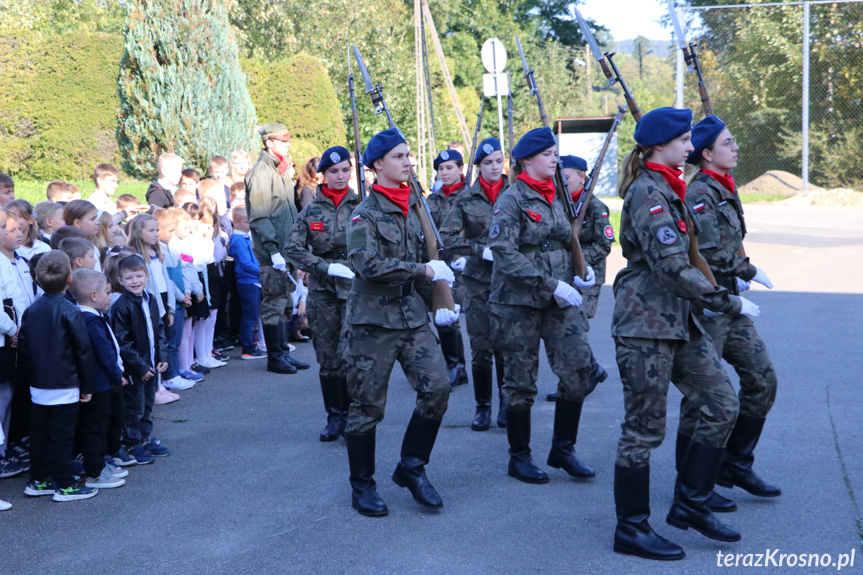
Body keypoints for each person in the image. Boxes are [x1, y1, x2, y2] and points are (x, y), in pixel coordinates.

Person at [610, 107, 764, 561]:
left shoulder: (669, 187)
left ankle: (690, 502)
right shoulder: (648, 194)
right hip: (645, 325)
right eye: (683, 140)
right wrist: (727, 300)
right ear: (661, 146)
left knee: (721, 402)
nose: (690, 147)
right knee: (643, 429)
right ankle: (631, 529)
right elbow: (672, 266)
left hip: (679, 320)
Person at [343, 128, 457, 517]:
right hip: (372, 321)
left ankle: (412, 466)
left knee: (438, 387)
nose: (408, 161)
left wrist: (440, 301)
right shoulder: (366, 212)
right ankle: (362, 485)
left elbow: (429, 255)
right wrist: (424, 270)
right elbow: (365, 263)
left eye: (409, 155)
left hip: (411, 316)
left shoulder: (415, 205)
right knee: (367, 406)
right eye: (398, 157)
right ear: (378, 165)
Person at [486, 127, 597, 485]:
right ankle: (519, 457)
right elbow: (504, 254)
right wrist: (551, 284)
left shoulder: (556, 196)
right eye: (548, 154)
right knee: (520, 382)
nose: (555, 159)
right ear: (527, 161)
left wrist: (583, 269)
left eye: (555, 154)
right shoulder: (512, 199)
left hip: (560, 299)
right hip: (519, 303)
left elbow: (568, 242)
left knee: (579, 369)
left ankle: (563, 448)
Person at [680, 115, 780, 507]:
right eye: (728, 142)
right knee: (704, 398)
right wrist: (744, 271)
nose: (736, 147)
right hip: (709, 305)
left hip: (731, 304)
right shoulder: (699, 194)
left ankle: (735, 463)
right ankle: (690, 484)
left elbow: (728, 243)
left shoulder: (723, 186)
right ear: (707, 154)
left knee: (763, 378)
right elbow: (704, 253)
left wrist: (741, 273)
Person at [285, 146, 359, 442]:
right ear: (323, 176)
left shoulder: (363, 205)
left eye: (345, 170)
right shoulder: (311, 210)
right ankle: (335, 417)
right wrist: (323, 267)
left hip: (356, 289)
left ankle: (357, 416)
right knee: (328, 358)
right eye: (333, 172)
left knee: (354, 355)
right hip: (324, 290)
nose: (340, 176)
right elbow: (293, 250)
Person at [19, 250, 99, 501]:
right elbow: (83, 351)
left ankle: (38, 480)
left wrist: (28, 380)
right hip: (65, 383)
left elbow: (23, 347)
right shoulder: (70, 310)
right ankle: (65, 484)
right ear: (70, 279)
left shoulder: (31, 309)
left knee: (40, 433)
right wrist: (88, 384)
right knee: (62, 435)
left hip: (39, 384)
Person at [440, 137, 508, 430]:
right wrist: (479, 251)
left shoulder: (516, 193)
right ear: (479, 167)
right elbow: (448, 235)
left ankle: (507, 404)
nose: (495, 167)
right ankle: (483, 406)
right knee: (481, 348)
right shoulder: (465, 198)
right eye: (488, 163)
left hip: (511, 281)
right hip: (478, 282)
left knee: (507, 346)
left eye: (498, 161)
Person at [545, 156, 613, 402]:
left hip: (587, 279)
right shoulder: (557, 204)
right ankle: (587, 373)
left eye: (567, 177)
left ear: (582, 177)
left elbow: (604, 245)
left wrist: (578, 261)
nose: (560, 181)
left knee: (576, 329)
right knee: (564, 330)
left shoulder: (595, 207)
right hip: (563, 277)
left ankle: (581, 377)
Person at [245, 123, 309, 375]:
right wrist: (273, 250)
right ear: (269, 143)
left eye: (288, 140)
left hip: (285, 249)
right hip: (273, 252)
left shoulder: (278, 171)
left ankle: (282, 353)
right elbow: (260, 216)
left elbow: (287, 213)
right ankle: (275, 357)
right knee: (274, 303)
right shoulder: (262, 173)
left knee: (285, 303)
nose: (287, 144)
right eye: (282, 141)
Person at [69, 269, 127, 490]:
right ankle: (95, 472)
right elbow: (105, 353)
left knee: (98, 427)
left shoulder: (89, 316)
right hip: (100, 384)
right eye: (107, 292)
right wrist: (117, 375)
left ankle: (99, 465)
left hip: (98, 383)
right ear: (94, 295)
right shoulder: (90, 321)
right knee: (96, 428)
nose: (109, 296)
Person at [110, 254, 170, 466]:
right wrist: (140, 366)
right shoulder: (121, 306)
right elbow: (121, 342)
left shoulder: (151, 299)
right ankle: (131, 442)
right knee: (134, 407)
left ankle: (144, 438)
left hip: (151, 364)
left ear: (147, 275)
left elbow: (159, 329)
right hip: (136, 368)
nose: (135, 281)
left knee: (148, 404)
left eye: (138, 276)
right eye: (129, 278)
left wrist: (162, 355)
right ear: (120, 280)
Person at [427, 149, 468, 388]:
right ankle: (455, 366)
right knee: (445, 315)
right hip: (442, 264)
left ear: (460, 169)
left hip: (467, 263)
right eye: (440, 169)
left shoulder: (471, 196)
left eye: (449, 167)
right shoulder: (432, 200)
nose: (444, 172)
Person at [153, 209, 197, 392]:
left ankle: (175, 372)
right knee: (171, 341)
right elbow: (168, 281)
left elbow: (182, 270)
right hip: (173, 301)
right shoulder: (160, 251)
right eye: (170, 230)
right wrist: (181, 296)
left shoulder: (172, 247)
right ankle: (170, 375)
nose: (172, 234)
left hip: (180, 300)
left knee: (176, 340)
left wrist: (187, 292)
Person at [228, 206, 265, 359]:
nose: (249, 224)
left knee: (253, 315)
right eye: (246, 222)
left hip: (253, 280)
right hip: (248, 281)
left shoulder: (245, 238)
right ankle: (248, 348)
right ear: (236, 222)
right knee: (250, 316)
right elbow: (245, 263)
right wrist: (262, 272)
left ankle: (251, 345)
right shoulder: (239, 239)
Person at [63, 199, 102, 271]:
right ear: (77, 223)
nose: (98, 222)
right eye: (92, 219)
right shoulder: (75, 248)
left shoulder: (90, 243)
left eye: (96, 218)